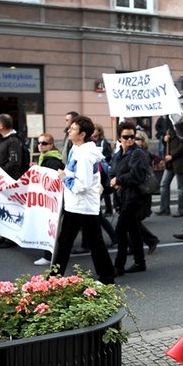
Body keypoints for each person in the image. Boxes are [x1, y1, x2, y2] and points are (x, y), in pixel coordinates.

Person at [50, 115, 115, 285]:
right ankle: (54, 277)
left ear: (82, 134)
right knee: (65, 242)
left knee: (95, 243)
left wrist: (64, 178)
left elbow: (82, 185)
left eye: (72, 129)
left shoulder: (85, 154)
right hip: (75, 205)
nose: (68, 130)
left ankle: (107, 277)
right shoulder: (76, 148)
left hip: (84, 205)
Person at [110, 121, 150, 275]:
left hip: (135, 197)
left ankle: (118, 266)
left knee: (120, 230)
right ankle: (140, 262)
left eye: (132, 137)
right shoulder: (118, 154)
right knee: (133, 229)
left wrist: (119, 180)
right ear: (119, 138)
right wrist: (114, 181)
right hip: (123, 196)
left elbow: (136, 175)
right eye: (126, 137)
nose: (129, 140)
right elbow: (112, 171)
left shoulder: (137, 153)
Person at [0, 113, 23, 249]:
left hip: (10, 180)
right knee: (3, 207)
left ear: (2, 125)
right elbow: (2, 157)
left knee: (11, 210)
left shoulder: (13, 141)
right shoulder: (4, 139)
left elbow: (14, 162)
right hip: (2, 180)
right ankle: (4, 235)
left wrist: (0, 171)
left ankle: (12, 238)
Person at [32, 133, 65, 266]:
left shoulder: (51, 160)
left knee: (50, 227)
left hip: (51, 200)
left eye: (44, 143)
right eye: (38, 143)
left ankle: (49, 255)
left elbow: (51, 182)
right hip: (48, 199)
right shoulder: (44, 158)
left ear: (51, 145)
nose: (40, 145)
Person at [155, 122, 183, 217]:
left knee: (181, 187)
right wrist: (165, 140)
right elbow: (168, 143)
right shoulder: (169, 129)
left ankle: (181, 210)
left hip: (179, 162)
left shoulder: (182, 129)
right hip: (170, 163)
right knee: (164, 184)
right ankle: (164, 208)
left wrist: (172, 155)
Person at [133, 131, 160, 255]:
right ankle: (135, 245)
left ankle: (151, 240)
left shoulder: (142, 154)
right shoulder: (134, 152)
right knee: (131, 221)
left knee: (133, 220)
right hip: (137, 190)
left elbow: (139, 172)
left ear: (143, 141)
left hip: (141, 191)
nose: (133, 140)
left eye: (136, 138)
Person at [93, 122, 114, 216]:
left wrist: (101, 157)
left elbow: (109, 155)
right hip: (96, 168)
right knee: (102, 189)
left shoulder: (103, 142)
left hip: (102, 168)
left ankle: (108, 209)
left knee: (104, 189)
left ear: (99, 131)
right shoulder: (92, 142)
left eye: (95, 129)